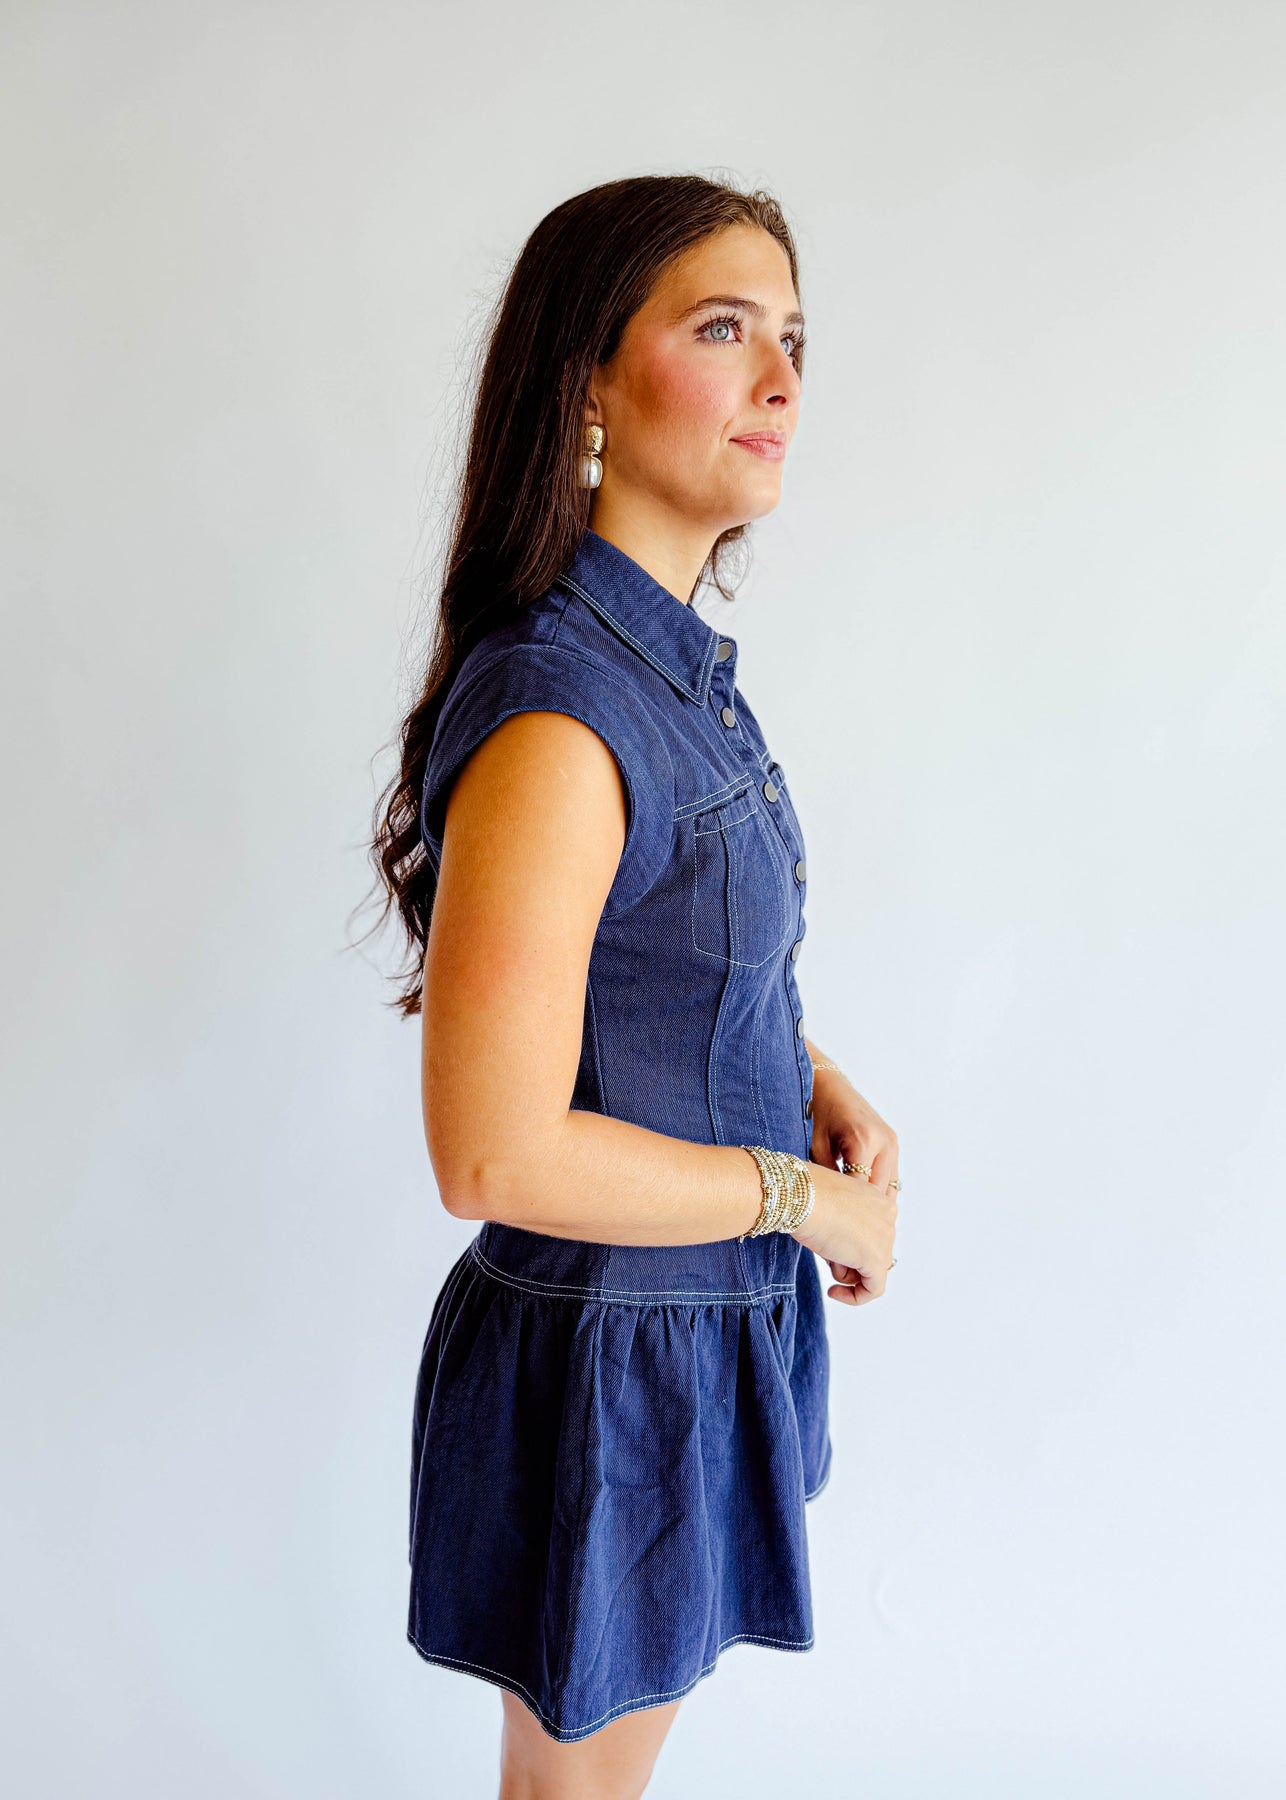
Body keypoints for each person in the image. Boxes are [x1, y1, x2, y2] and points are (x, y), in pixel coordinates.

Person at [368, 173, 900, 1799]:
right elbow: (494, 1153)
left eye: (794, 338)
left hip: (690, 1335)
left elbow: (660, 962)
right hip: (609, 1369)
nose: (782, 379)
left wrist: (808, 1075)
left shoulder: (663, 677)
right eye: (724, 328)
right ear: (586, 382)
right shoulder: (561, 714)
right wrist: (801, 1200)